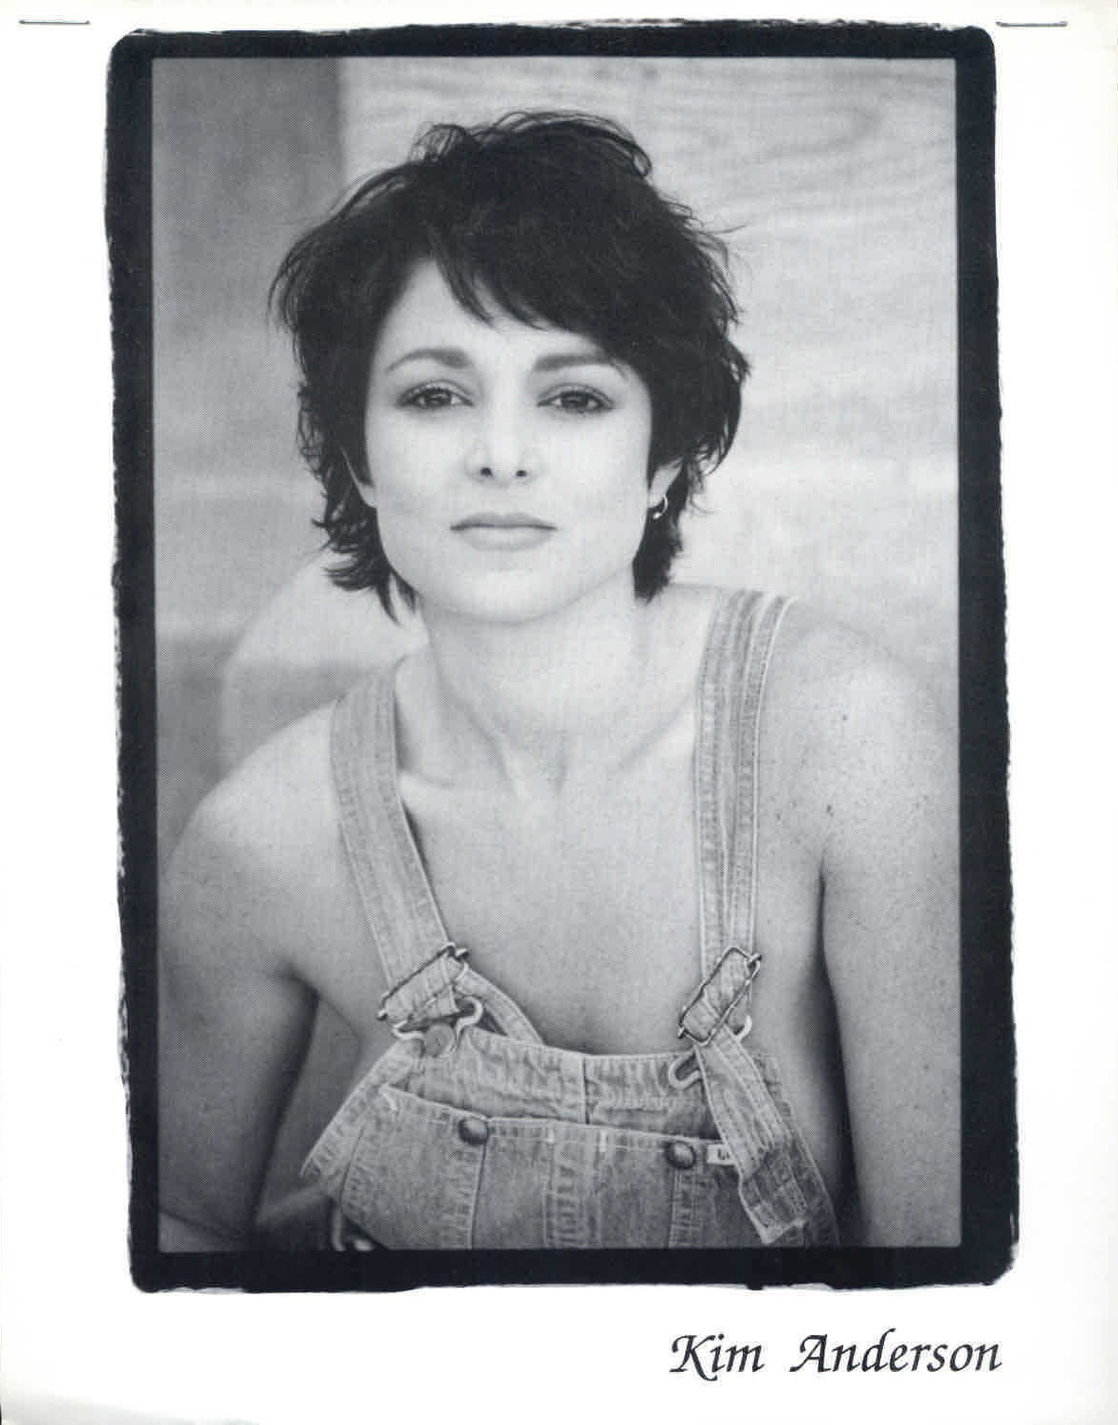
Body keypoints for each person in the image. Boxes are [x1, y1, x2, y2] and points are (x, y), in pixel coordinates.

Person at [158, 112, 958, 1252]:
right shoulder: (261, 843)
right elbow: (176, 1228)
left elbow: (939, 1271)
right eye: (434, 396)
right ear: (357, 456)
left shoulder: (848, 744)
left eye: (573, 397)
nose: (500, 454)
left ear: (665, 455)